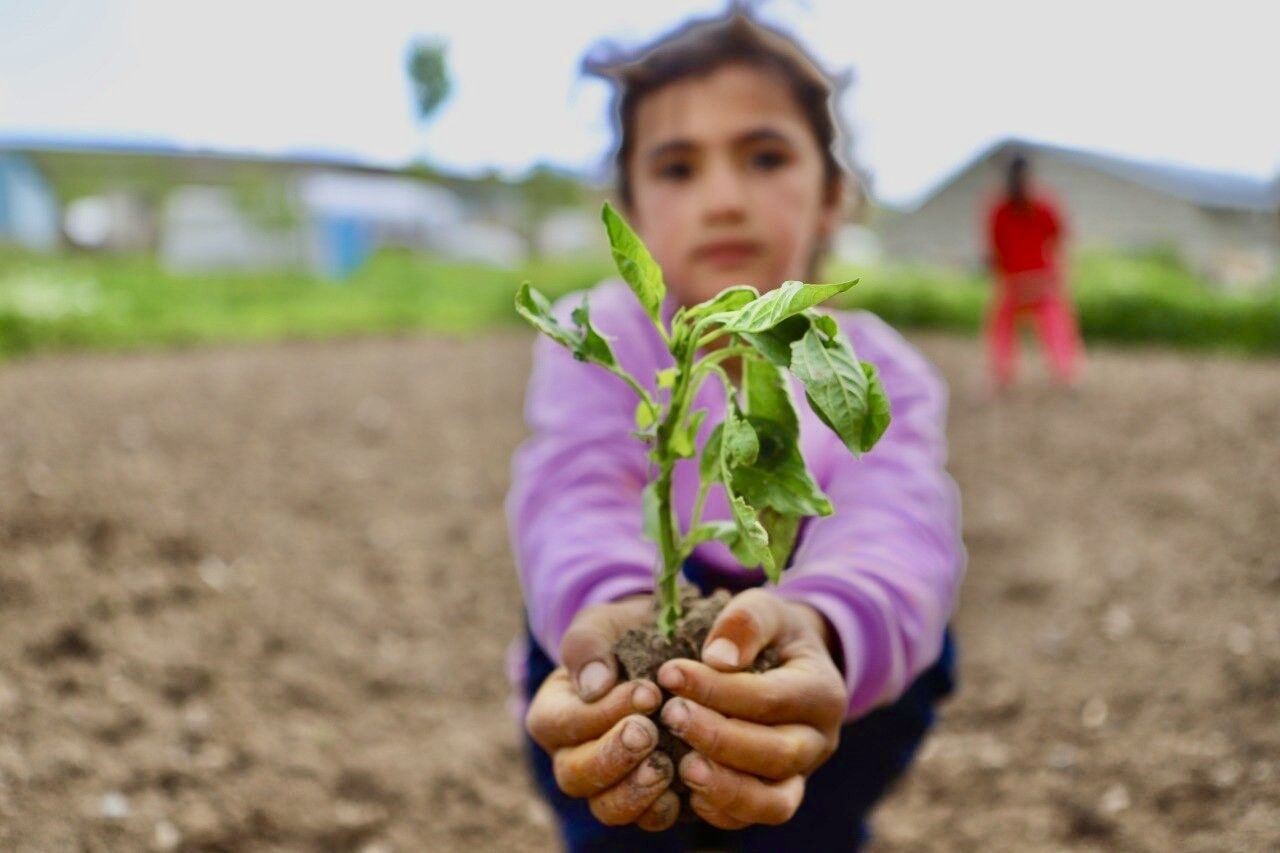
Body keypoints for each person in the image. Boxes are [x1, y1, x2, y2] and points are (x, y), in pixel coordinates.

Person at [506, 11, 964, 851]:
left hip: (824, 695)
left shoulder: (875, 368)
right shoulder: (598, 340)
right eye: (677, 168)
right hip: (626, 672)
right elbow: (574, 495)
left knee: (917, 644)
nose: (722, 198)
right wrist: (619, 607)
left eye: (765, 156)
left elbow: (898, 527)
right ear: (630, 209)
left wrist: (822, 624)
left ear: (834, 192)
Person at [985, 154, 1083, 390]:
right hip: (1016, 283)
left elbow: (1058, 242)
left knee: (1056, 328)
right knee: (1002, 329)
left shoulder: (1042, 206)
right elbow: (995, 250)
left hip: (1040, 282)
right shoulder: (1000, 210)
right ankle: (1001, 375)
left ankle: (1066, 375)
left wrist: (1054, 279)